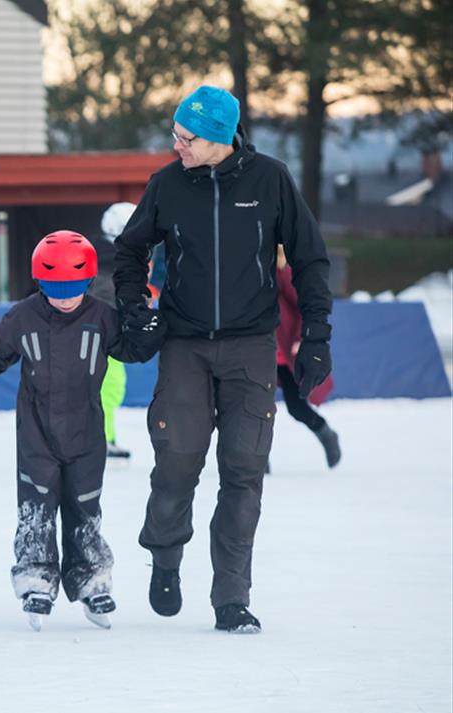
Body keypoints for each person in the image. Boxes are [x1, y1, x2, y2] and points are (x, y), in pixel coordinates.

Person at [112, 86, 333, 634]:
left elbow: (309, 259)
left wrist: (319, 336)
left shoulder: (270, 180)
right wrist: (136, 308)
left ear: (218, 139)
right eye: (175, 135)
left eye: (186, 138)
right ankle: (165, 557)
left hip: (251, 346)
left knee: (243, 470)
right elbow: (130, 250)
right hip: (184, 342)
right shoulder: (167, 184)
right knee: (177, 461)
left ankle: (231, 598)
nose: (177, 145)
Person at [0, 231, 158, 631]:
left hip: (86, 433)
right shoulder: (23, 316)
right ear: (41, 282)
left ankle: (92, 580)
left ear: (88, 281)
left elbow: (133, 350)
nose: (65, 297)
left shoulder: (102, 317)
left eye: (72, 288)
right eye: (55, 289)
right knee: (36, 509)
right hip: (36, 432)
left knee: (84, 508)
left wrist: (150, 325)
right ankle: (36, 579)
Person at [275, 245, 340, 468]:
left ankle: (325, 433)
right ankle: (256, 461)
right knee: (253, 409)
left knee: (297, 406)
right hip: (257, 351)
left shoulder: (284, 273)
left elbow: (304, 308)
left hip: (283, 352)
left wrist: (300, 340)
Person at [96, 202, 140, 460]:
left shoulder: (115, 260)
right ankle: (100, 439)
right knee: (107, 387)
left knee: (112, 387)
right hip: (104, 336)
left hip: (110, 336)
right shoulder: (110, 261)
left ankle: (105, 437)